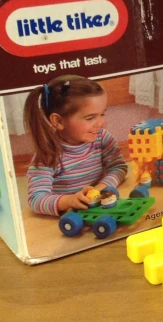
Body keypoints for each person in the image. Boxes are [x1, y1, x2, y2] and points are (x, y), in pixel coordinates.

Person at [23, 75, 127, 216]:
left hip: (98, 208)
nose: (102, 123)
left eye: (102, 114)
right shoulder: (48, 154)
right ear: (58, 121)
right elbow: (36, 199)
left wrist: (100, 188)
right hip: (70, 217)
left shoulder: (102, 138)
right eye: (90, 118)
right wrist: (69, 201)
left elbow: (118, 167)